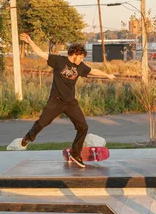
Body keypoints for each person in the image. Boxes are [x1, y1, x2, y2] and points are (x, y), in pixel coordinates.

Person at [19, 33, 116, 168]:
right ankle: (29, 137)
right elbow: (41, 54)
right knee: (42, 123)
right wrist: (30, 42)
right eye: (80, 57)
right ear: (74, 54)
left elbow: (93, 71)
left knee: (83, 127)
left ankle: (75, 154)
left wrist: (107, 75)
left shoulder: (80, 66)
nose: (81, 60)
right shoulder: (59, 61)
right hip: (56, 101)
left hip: (70, 102)